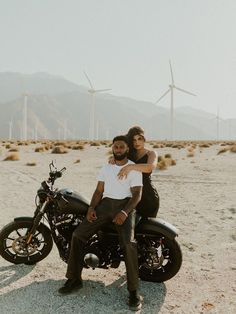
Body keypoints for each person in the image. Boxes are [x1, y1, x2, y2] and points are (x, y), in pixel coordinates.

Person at [58, 135, 143, 311]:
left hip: (125, 205)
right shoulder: (107, 167)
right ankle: (74, 279)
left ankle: (134, 291)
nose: (118, 149)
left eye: (121, 147)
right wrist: (91, 208)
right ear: (112, 148)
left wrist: (124, 212)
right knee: (78, 234)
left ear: (127, 149)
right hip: (105, 205)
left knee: (128, 244)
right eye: (116, 147)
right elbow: (99, 190)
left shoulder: (134, 169)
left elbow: (137, 195)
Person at [117, 126, 159, 218]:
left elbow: (150, 167)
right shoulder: (129, 154)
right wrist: (113, 159)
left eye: (139, 139)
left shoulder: (151, 153)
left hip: (148, 197)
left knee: (147, 228)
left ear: (144, 139)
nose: (137, 142)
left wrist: (130, 167)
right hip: (131, 197)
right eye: (133, 140)